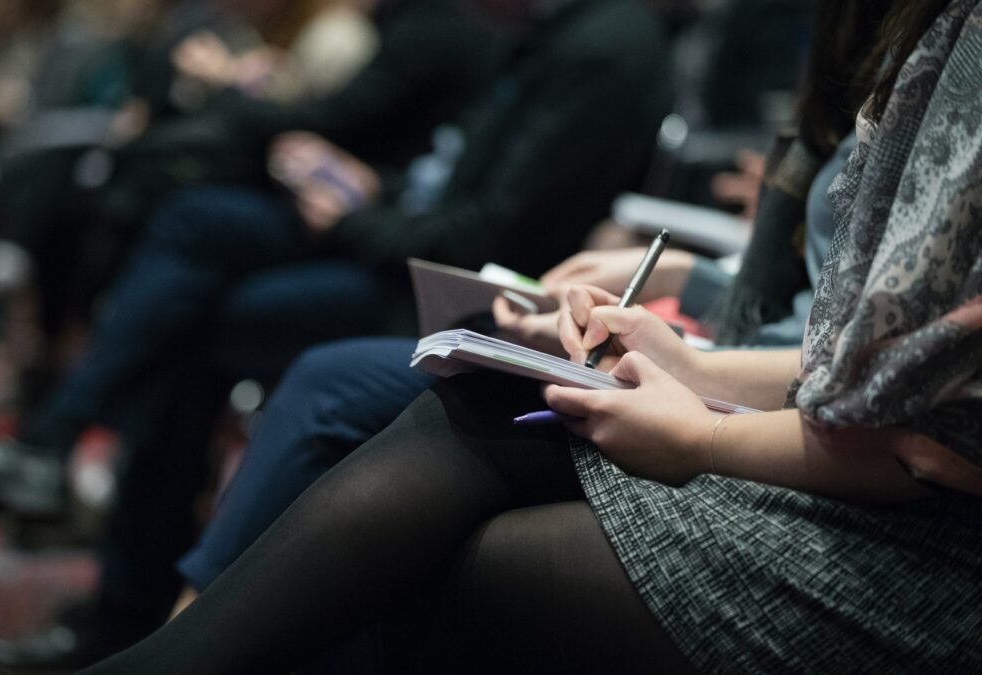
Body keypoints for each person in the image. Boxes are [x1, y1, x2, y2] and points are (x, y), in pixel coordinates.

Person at [81, 0, 982, 672]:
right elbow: (860, 366)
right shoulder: (911, 32)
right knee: (471, 393)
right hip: (823, 433)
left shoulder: (610, 44)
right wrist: (688, 360)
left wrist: (705, 421)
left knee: (438, 547)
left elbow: (923, 435)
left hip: (921, 549)